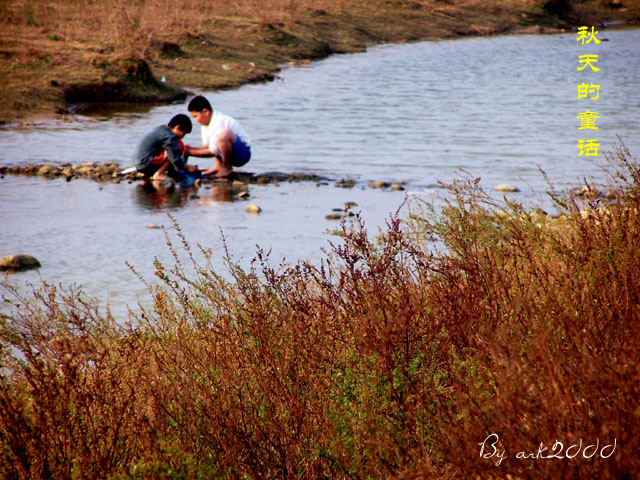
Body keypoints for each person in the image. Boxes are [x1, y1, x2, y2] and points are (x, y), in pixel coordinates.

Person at [186, 95, 251, 177]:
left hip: (242, 153)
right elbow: (208, 146)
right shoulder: (205, 125)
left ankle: (226, 167)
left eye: (196, 116)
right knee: (214, 141)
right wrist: (192, 148)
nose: (196, 120)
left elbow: (213, 151)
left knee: (224, 134)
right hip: (227, 153)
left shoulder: (218, 121)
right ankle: (218, 165)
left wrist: (190, 152)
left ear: (206, 112)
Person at [132, 113, 199, 182]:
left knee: (172, 150)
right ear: (177, 127)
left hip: (139, 163)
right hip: (145, 163)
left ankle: (149, 173)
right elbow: (174, 157)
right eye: (184, 134)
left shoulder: (162, 128)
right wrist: (187, 167)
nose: (183, 137)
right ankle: (159, 174)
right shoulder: (169, 137)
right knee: (173, 152)